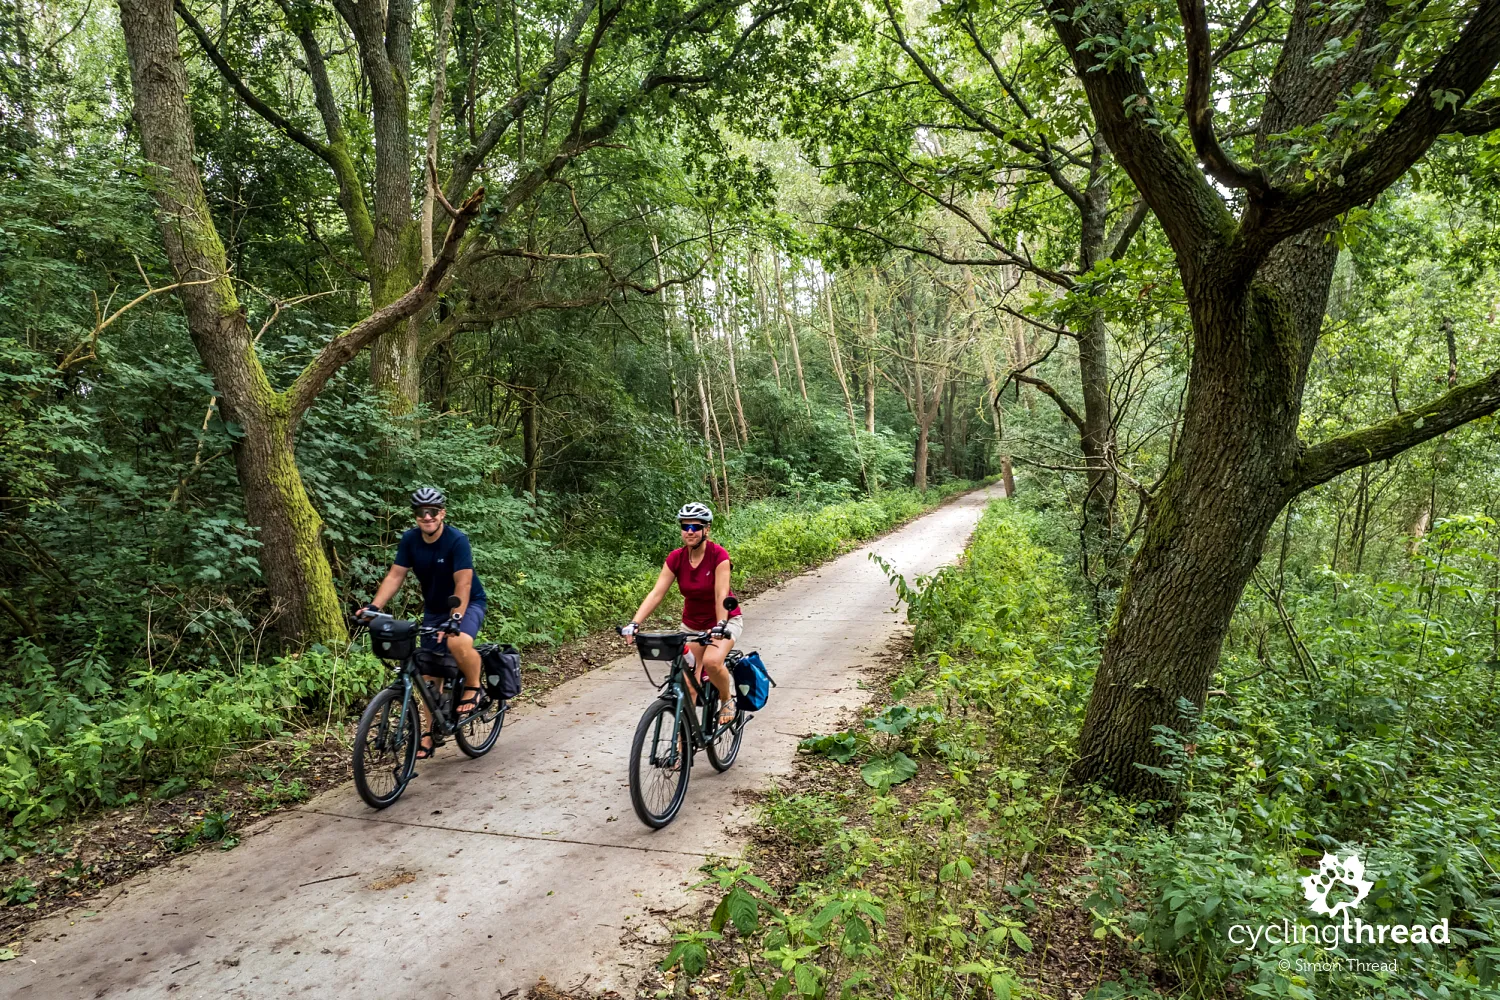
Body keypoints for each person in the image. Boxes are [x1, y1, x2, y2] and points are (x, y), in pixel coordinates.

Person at [364, 487, 488, 759]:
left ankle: (473, 685)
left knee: (457, 641)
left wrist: (455, 619)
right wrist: (374, 608)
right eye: (421, 512)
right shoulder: (410, 540)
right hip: (434, 609)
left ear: (442, 513)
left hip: (467, 603)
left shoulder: (456, 540)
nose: (427, 517)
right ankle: (430, 733)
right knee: (430, 676)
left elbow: (463, 583)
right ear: (416, 515)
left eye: (432, 511)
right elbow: (395, 576)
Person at [623, 502, 743, 726]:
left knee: (712, 662)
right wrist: (634, 623)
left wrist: (720, 624)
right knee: (687, 683)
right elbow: (656, 594)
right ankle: (681, 743)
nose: (689, 531)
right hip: (692, 625)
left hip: (724, 621)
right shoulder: (676, 558)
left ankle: (726, 698)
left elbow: (721, 594)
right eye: (685, 526)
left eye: (695, 527)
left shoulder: (718, 555)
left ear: (706, 529)